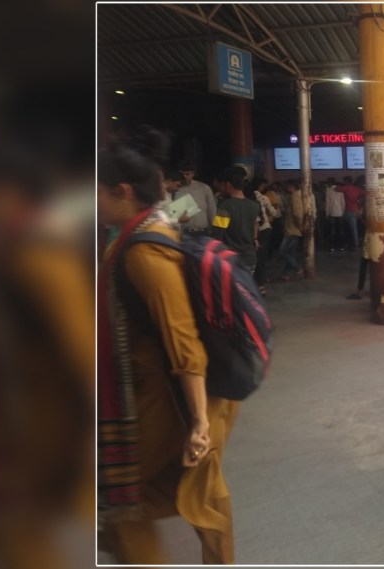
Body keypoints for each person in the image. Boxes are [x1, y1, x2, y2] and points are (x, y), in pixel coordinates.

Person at [97, 129, 240, 564]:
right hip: (176, 391)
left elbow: (183, 340)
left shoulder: (143, 250)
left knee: (121, 494)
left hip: (174, 395)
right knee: (197, 488)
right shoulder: (138, 232)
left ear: (122, 192)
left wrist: (198, 421)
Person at [211, 167, 259, 275]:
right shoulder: (254, 206)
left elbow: (217, 233)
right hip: (250, 258)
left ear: (228, 185)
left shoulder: (225, 206)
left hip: (231, 260)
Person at [250, 178, 279, 294]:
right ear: (260, 186)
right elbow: (274, 213)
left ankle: (253, 281)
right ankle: (260, 282)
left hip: (252, 230)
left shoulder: (248, 197)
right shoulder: (264, 198)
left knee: (253, 257)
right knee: (261, 258)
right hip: (264, 228)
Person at [175, 160, 218, 237]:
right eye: (182, 174)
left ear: (193, 174)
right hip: (184, 233)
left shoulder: (204, 188)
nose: (184, 176)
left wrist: (214, 232)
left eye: (187, 174)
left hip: (203, 232)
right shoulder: (175, 189)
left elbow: (212, 211)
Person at [279, 179, 305, 280]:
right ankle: (285, 274)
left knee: (283, 252)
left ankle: (298, 267)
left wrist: (300, 226)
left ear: (290, 187)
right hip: (294, 229)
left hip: (292, 229)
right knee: (290, 254)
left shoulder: (295, 197)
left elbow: (297, 214)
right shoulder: (297, 196)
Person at [336, 175, 364, 251]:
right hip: (355, 211)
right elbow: (366, 194)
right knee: (354, 229)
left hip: (347, 211)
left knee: (346, 229)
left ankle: (350, 243)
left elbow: (336, 188)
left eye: (344, 181)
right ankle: (356, 244)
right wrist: (358, 201)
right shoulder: (357, 189)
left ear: (347, 182)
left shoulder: (347, 188)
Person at [325, 179, 345, 252]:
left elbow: (327, 203)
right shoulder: (340, 191)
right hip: (340, 213)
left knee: (332, 230)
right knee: (340, 230)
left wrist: (327, 213)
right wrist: (343, 212)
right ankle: (341, 246)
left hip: (332, 213)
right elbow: (343, 203)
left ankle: (332, 246)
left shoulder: (328, 191)